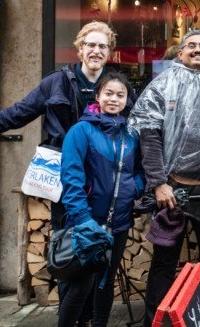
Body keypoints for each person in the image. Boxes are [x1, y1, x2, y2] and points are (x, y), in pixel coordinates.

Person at [0, 20, 132, 325]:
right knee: (73, 265)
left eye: (102, 46)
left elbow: (136, 133)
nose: (96, 50)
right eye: (90, 44)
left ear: (109, 51)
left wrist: (136, 184)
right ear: (79, 47)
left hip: (105, 192)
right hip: (68, 192)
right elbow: (14, 115)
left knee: (103, 270)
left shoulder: (114, 89)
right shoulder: (56, 84)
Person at [128, 29, 200, 327]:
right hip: (171, 189)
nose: (198, 50)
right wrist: (159, 182)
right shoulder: (163, 84)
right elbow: (149, 136)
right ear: (181, 51)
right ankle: (154, 322)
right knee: (164, 260)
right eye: (192, 46)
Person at [57, 71, 144, 327]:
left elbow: (139, 172)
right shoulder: (81, 131)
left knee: (106, 282)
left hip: (118, 223)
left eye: (120, 95)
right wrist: (83, 219)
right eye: (109, 93)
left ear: (127, 99)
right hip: (86, 224)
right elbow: (71, 179)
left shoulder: (130, 135)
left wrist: (132, 188)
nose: (114, 99)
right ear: (98, 96)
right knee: (81, 286)